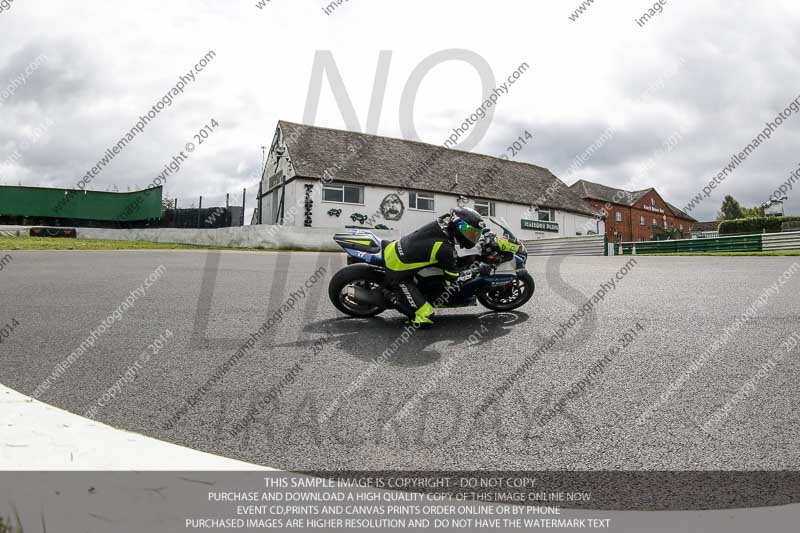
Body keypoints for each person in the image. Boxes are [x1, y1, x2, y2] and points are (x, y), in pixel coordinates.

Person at [382, 207, 487, 327]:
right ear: (459, 227)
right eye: (471, 233)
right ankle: (390, 297)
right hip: (397, 270)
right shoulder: (445, 249)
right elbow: (452, 280)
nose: (473, 237)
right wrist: (476, 270)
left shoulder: (441, 223)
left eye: (475, 235)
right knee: (425, 318)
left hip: (394, 248)